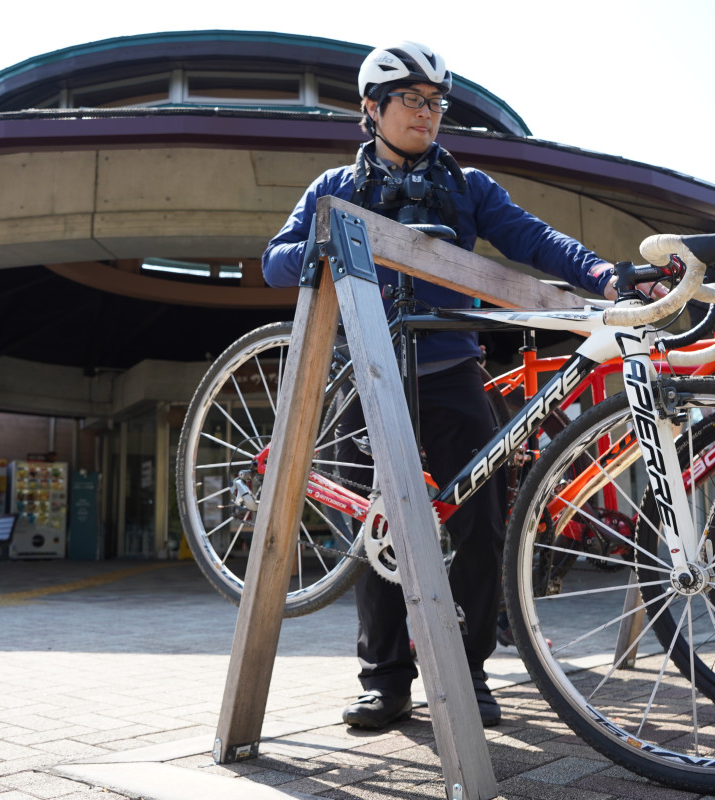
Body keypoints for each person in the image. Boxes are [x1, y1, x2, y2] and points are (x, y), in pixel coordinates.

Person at [262, 41, 624, 731]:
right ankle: (386, 682)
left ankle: (468, 672)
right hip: (362, 376)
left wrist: (603, 275)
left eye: (437, 104)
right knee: (378, 533)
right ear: (372, 109)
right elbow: (276, 262)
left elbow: (535, 239)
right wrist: (331, 242)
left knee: (483, 527)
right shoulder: (335, 187)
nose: (429, 115)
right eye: (412, 101)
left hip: (453, 371)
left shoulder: (468, 185)